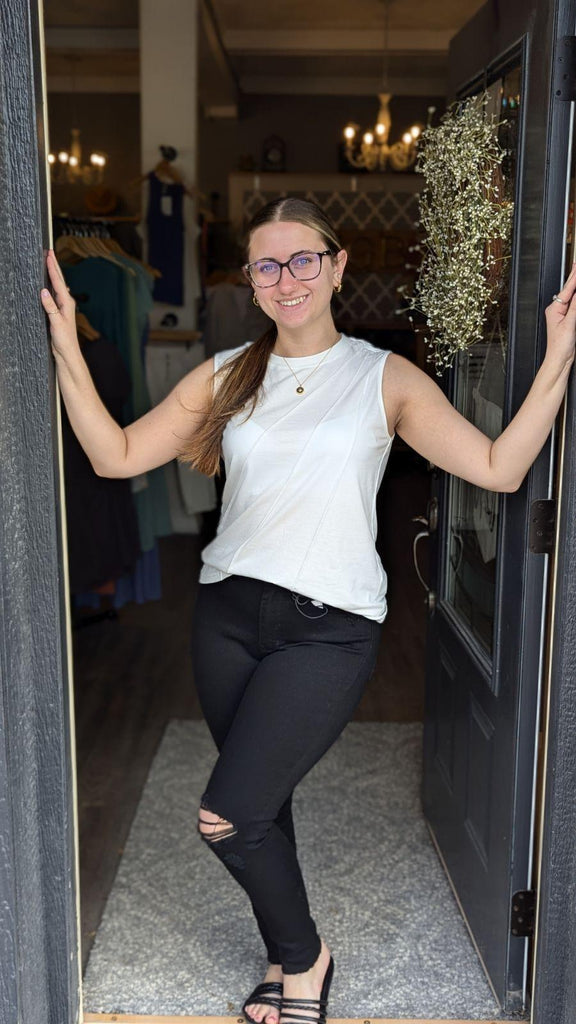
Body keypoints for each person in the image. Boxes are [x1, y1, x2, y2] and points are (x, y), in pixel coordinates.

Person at [42, 197, 576, 1024]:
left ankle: (306, 960)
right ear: (251, 282)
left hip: (329, 630)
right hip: (225, 617)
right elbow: (113, 455)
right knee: (264, 806)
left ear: (335, 267)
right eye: (266, 264)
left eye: (302, 260)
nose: (286, 278)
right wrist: (68, 344)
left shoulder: (382, 378)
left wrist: (559, 360)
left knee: (228, 815)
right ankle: (288, 954)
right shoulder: (226, 372)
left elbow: (501, 467)